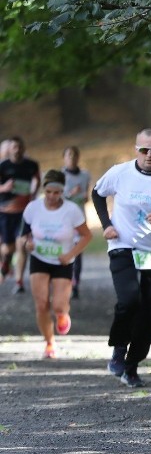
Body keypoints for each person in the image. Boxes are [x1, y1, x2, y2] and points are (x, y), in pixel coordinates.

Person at [92, 129, 151, 388]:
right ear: (136, 149)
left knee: (150, 315)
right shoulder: (120, 173)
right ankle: (118, 350)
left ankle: (132, 365)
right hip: (123, 245)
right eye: (144, 150)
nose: (149, 155)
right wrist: (106, 224)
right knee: (129, 300)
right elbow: (97, 193)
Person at [21, 169, 92, 358]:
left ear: (62, 191)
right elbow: (23, 236)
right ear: (44, 189)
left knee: (59, 305)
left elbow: (87, 236)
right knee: (41, 304)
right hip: (39, 258)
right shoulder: (32, 208)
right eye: (49, 192)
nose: (52, 196)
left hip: (63, 261)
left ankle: (62, 314)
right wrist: (27, 244)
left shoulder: (71, 210)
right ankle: (49, 343)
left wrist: (70, 254)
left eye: (57, 192)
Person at [0, 136, 41, 294]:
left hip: (24, 213)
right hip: (5, 213)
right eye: (14, 147)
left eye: (19, 147)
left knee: (22, 245)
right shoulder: (3, 166)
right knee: (7, 248)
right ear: (9, 150)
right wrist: (4, 188)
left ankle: (19, 282)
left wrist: (34, 193)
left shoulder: (31, 165)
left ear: (23, 149)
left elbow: (37, 179)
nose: (17, 150)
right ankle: (5, 261)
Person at [62, 145, 91, 300]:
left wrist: (85, 197)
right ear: (64, 158)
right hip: (63, 220)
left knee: (78, 253)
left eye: (74, 155)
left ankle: (75, 284)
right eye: (69, 155)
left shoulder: (85, 175)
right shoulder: (59, 176)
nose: (72, 158)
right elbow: (55, 198)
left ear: (78, 157)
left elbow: (86, 195)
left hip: (79, 219)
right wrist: (69, 194)